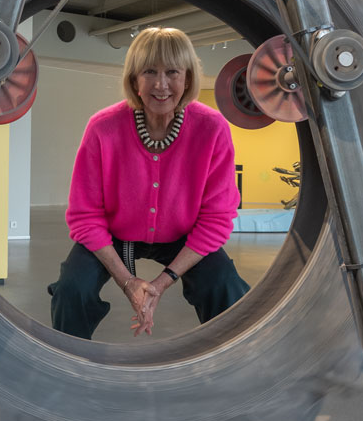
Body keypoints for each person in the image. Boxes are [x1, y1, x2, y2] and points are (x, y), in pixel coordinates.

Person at [48, 26, 250, 338]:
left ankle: (229, 359)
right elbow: (84, 215)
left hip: (182, 236)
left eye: (172, 72)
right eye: (149, 72)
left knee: (225, 286)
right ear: (134, 80)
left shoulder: (212, 128)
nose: (161, 84)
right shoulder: (103, 128)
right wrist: (127, 281)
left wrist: (163, 282)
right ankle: (70, 358)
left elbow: (217, 217)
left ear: (187, 78)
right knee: (71, 290)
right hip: (116, 235)